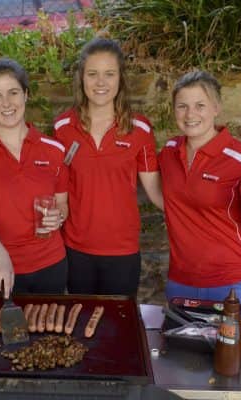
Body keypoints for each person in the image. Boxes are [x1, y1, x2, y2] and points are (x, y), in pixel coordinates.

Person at [158, 71, 241, 319]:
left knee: (233, 358)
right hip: (180, 282)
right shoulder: (169, 152)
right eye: (182, 106)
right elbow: (166, 198)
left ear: (216, 108)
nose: (190, 115)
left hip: (232, 283)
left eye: (200, 105)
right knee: (179, 356)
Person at [53, 37, 163, 297]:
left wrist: (198, 212)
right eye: (93, 74)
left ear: (120, 79)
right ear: (82, 78)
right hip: (75, 250)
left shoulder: (140, 129)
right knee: (82, 329)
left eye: (109, 74)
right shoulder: (62, 128)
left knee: (118, 330)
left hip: (122, 252)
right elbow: (59, 191)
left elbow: (156, 191)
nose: (100, 83)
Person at [0, 58, 68, 299]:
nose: (6, 103)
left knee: (51, 335)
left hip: (50, 264)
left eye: (13, 92)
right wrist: (0, 255)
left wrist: (58, 216)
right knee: (1, 336)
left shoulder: (54, 149)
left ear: (26, 94)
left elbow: (62, 203)